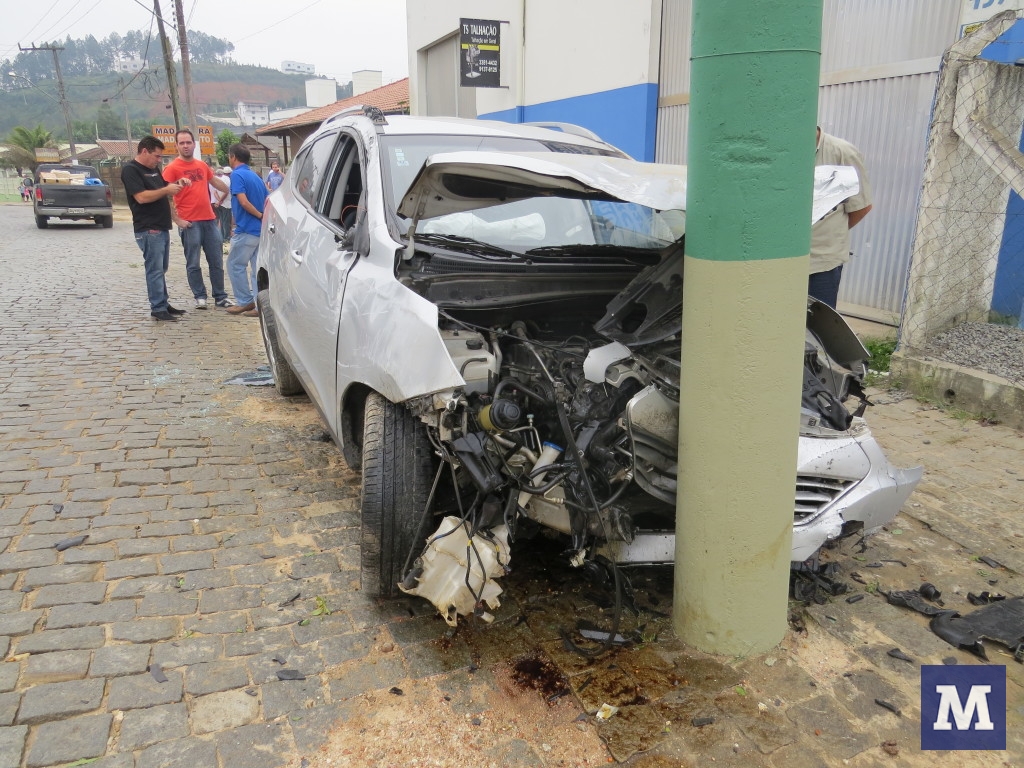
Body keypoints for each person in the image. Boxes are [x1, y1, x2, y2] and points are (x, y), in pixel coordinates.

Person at [163, 129, 233, 309]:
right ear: (176, 145)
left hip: (209, 220)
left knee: (216, 261)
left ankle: (220, 296)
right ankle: (200, 296)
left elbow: (216, 183)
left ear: (194, 144)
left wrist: (232, 186)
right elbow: (165, 196)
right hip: (189, 223)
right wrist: (177, 220)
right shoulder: (172, 168)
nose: (186, 146)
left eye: (188, 142)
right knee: (193, 262)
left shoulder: (202, 166)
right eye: (182, 143)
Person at [120, 136, 187, 321]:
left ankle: (163, 303)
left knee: (161, 268)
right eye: (156, 156)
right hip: (148, 228)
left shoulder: (154, 170)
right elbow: (141, 197)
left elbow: (165, 188)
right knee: (155, 269)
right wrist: (166, 191)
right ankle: (158, 308)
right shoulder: (131, 170)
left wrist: (177, 184)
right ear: (144, 151)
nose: (159, 160)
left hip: (162, 227)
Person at [810, 127, 873, 309]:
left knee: (817, 327)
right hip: (783, 260)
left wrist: (830, 234)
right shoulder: (779, 150)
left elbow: (861, 207)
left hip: (822, 263)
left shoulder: (842, 152)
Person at [225, 144, 268, 317]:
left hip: (247, 228)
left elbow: (242, 201)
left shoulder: (237, 175)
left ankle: (244, 301)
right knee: (256, 268)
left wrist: (258, 215)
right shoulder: (255, 176)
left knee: (235, 265)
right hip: (260, 231)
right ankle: (259, 305)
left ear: (233, 157)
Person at [212, 166, 233, 242]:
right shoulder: (227, 179)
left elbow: (215, 192)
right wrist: (220, 201)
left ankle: (221, 236)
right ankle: (226, 237)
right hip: (226, 204)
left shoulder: (217, 179)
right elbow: (226, 192)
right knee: (226, 222)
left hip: (219, 203)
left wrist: (218, 201)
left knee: (221, 220)